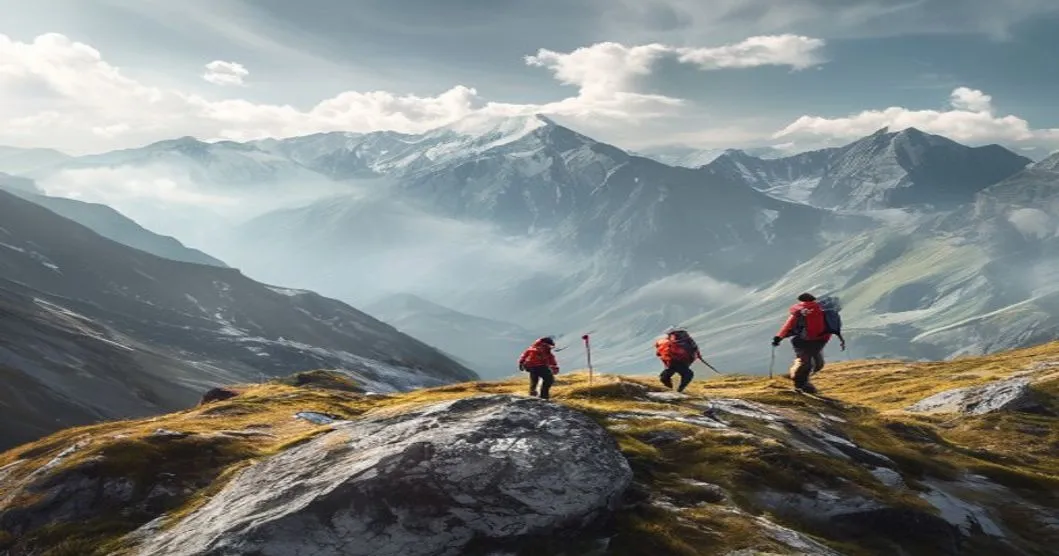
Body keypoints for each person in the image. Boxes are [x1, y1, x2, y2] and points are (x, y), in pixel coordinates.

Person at [772, 292, 834, 394]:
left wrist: (778, 338)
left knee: (807, 364)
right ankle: (802, 384)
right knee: (816, 364)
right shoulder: (825, 309)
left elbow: (788, 325)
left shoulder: (800, 311)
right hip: (819, 341)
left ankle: (800, 382)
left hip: (803, 341)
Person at [654, 328, 700, 393]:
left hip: (671, 361)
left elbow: (658, 352)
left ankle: (672, 390)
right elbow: (695, 350)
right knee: (688, 374)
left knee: (665, 376)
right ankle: (678, 390)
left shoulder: (664, 341)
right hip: (681, 361)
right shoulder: (688, 341)